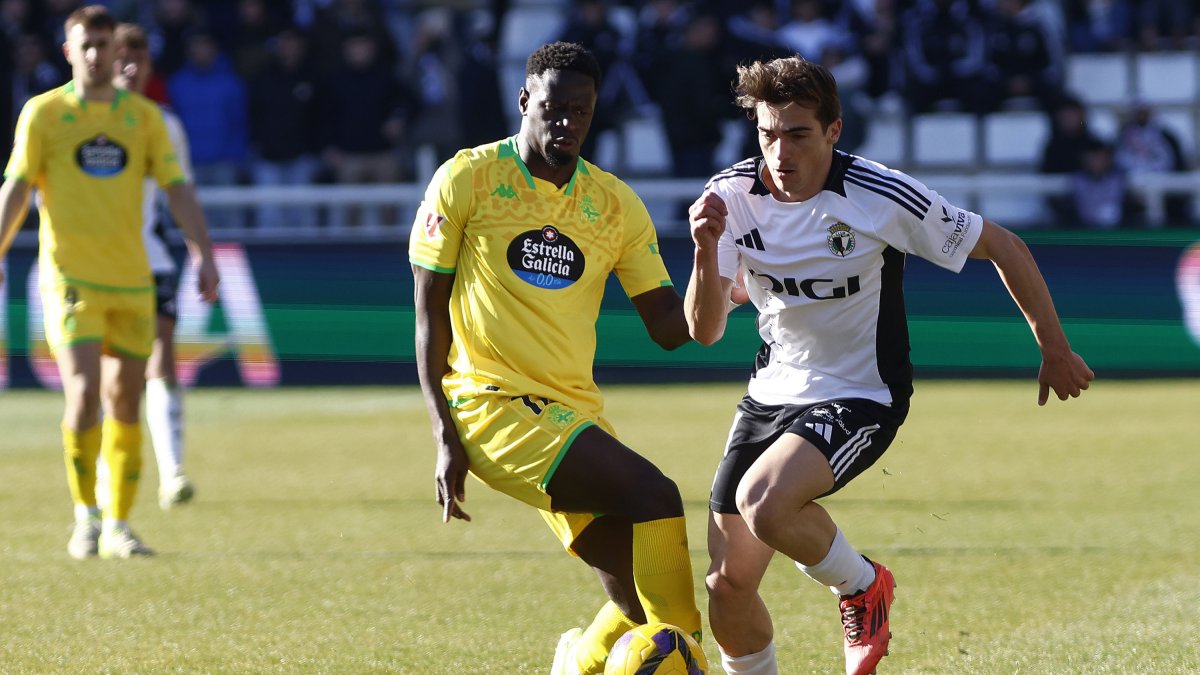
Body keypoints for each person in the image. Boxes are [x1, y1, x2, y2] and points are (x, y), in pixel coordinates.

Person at [683, 55, 1094, 675]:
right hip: (771, 394)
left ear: (833, 131)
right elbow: (705, 330)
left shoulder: (880, 194)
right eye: (768, 134)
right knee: (725, 586)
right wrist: (704, 249)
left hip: (861, 392)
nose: (780, 152)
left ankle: (862, 585)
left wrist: (1054, 347)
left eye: (797, 134)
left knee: (764, 503)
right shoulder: (729, 198)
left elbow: (1004, 245)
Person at [409, 41, 702, 675]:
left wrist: (720, 269)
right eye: (554, 106)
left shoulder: (615, 203)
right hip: (490, 404)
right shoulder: (467, 178)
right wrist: (442, 431)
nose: (566, 121)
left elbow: (669, 329)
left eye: (581, 110)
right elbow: (428, 315)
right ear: (525, 101)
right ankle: (697, 656)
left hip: (572, 415)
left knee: (631, 596)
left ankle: (578, 662)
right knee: (655, 494)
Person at [0, 5, 219, 559]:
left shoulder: (142, 119)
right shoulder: (44, 115)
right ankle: (86, 517)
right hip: (71, 278)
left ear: (115, 52)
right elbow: (18, 189)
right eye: (86, 45)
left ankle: (120, 524)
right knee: (83, 394)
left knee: (125, 400)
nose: (97, 55)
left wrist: (203, 253)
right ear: (68, 51)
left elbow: (179, 189)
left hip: (133, 279)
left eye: (105, 44)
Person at [107, 21, 199, 509]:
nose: (128, 67)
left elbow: (180, 192)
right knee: (112, 378)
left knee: (162, 358)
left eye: (137, 59)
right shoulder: (84, 119)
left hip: (152, 257)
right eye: (120, 57)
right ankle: (106, 483)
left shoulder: (164, 124)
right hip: (96, 263)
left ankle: (173, 471)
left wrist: (201, 250)